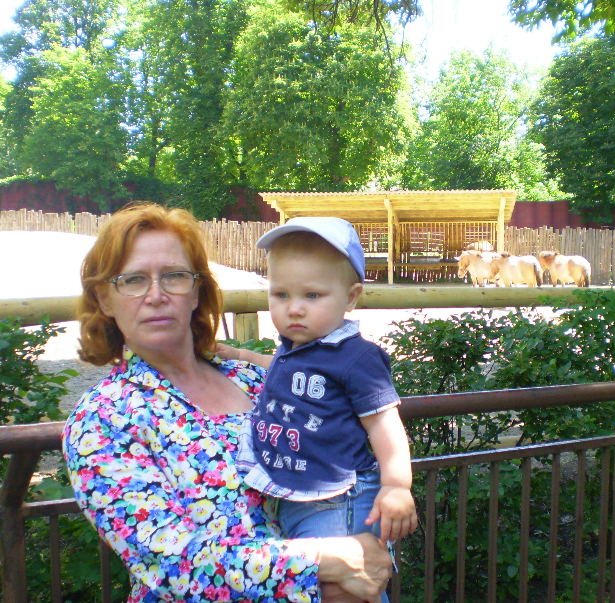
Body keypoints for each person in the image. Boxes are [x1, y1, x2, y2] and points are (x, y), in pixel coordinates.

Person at [61, 203, 392, 603]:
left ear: (196, 291)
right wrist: (324, 562)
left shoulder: (258, 380)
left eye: (174, 276)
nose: (156, 295)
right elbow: (170, 565)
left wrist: (367, 544)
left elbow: (355, 459)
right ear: (105, 299)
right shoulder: (102, 419)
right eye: (133, 280)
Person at [230, 218, 417, 569]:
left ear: (351, 296)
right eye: (281, 294)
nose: (294, 308)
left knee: (341, 582)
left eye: (312, 295)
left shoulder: (357, 357)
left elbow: (384, 424)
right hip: (293, 493)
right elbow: (284, 371)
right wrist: (242, 356)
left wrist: (396, 486)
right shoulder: (295, 347)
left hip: (339, 499)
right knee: (309, 583)